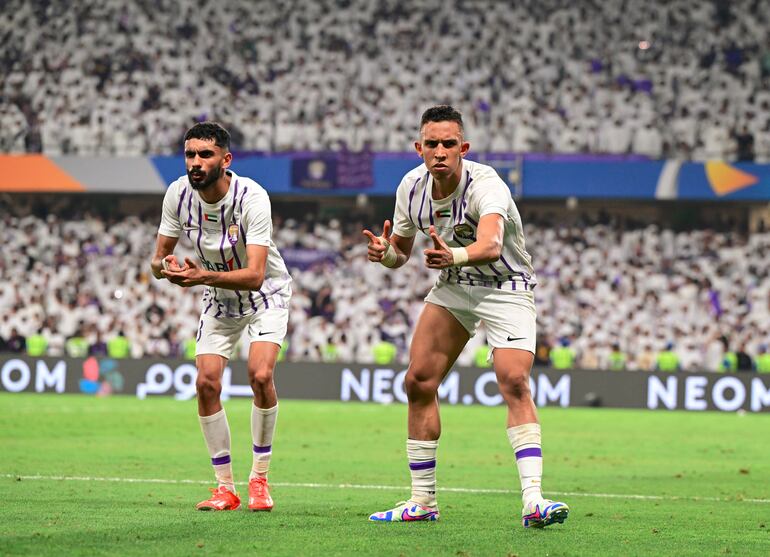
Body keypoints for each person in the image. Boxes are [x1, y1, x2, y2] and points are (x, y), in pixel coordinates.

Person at [363, 106, 568, 528]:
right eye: (431, 144)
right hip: (456, 285)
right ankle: (423, 502)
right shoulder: (411, 187)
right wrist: (385, 255)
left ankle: (534, 500)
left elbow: (491, 244)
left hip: (505, 284)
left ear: (463, 148)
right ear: (419, 148)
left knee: (513, 378)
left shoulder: (486, 183)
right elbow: (401, 251)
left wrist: (452, 255)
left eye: (448, 144)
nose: (440, 151)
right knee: (418, 381)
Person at [150, 122, 292, 512]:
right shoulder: (177, 194)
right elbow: (156, 260)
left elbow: (256, 275)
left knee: (261, 375)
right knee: (206, 383)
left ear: (225, 160)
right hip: (219, 300)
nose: (195, 163)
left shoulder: (252, 198)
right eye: (190, 154)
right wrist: (170, 267)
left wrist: (200, 275)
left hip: (266, 295)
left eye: (205, 155)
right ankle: (224, 488)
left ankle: (259, 479)